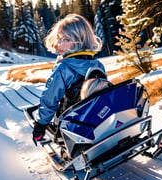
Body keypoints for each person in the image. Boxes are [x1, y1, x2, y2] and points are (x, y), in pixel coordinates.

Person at [32, 14, 106, 145]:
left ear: (81, 40)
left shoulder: (63, 68)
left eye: (66, 39)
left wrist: (40, 125)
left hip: (71, 123)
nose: (59, 44)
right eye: (59, 39)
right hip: (95, 120)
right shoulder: (97, 64)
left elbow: (50, 98)